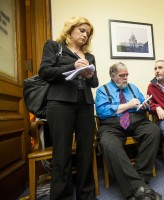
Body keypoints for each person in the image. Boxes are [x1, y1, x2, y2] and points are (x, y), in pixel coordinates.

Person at [38, 16, 98, 199]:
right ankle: (61, 196)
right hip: (60, 103)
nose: (85, 35)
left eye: (87, 33)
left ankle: (86, 195)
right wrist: (72, 65)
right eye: (81, 30)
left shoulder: (89, 56)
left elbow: (95, 82)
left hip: (85, 104)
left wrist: (88, 73)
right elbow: (45, 72)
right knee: (62, 152)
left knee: (86, 150)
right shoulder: (54, 47)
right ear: (70, 30)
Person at [95, 62, 162, 200]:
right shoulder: (102, 90)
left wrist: (145, 105)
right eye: (121, 75)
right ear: (112, 76)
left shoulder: (133, 88)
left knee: (153, 130)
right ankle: (138, 188)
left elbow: (143, 103)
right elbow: (101, 112)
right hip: (112, 124)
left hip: (136, 120)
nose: (125, 78)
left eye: (126, 75)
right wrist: (128, 105)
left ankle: (139, 178)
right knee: (108, 143)